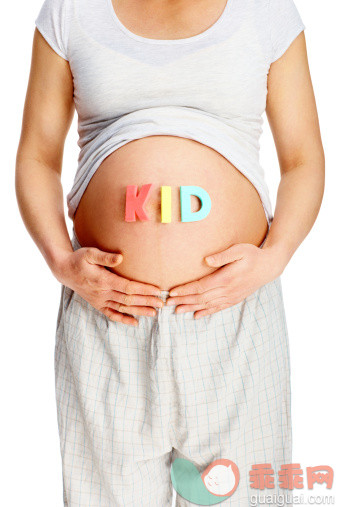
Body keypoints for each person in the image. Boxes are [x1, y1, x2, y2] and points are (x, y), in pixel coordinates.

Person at [15, 0, 325, 505]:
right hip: (108, 316)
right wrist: (59, 261)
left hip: (233, 317)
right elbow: (36, 155)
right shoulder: (71, 10)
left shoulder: (266, 10)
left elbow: (303, 159)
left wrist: (277, 255)